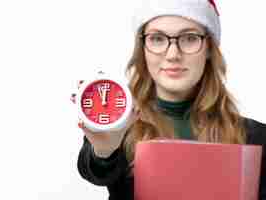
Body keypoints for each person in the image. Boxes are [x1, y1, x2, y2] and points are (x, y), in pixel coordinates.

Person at [73, 0, 266, 199]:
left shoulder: (257, 138)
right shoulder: (120, 126)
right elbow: (95, 171)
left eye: (189, 38)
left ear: (209, 49)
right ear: (143, 50)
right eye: (157, 38)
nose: (173, 54)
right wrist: (105, 151)